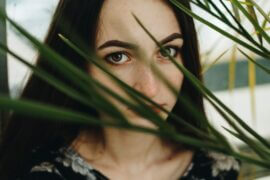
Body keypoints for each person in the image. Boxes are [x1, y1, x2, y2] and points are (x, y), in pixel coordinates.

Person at [0, 0, 240, 179]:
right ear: (78, 65)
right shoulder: (43, 174)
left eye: (167, 51)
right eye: (118, 56)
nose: (149, 88)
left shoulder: (217, 168)